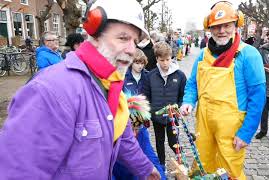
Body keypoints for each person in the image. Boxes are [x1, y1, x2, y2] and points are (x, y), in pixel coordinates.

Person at [0, 0, 161, 179]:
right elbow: (19, 172)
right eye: (123, 38)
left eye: (135, 41)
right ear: (94, 36)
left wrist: (147, 169)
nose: (132, 49)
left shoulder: (111, 85)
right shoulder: (51, 90)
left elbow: (121, 135)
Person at [180, 1, 266, 179]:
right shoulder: (204, 54)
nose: (222, 31)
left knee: (229, 171)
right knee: (201, 165)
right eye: (216, 27)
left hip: (232, 126)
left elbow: (257, 97)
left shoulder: (249, 54)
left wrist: (246, 132)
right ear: (209, 29)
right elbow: (192, 83)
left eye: (227, 25)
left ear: (236, 25)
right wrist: (188, 100)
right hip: (203, 121)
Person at [113, 48, 166, 180]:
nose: (140, 66)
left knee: (148, 154)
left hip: (141, 123)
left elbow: (152, 97)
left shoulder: (148, 77)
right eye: (137, 62)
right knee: (124, 156)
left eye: (142, 63)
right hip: (124, 123)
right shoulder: (122, 77)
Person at [143, 41, 187, 171]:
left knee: (174, 142)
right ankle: (162, 164)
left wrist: (178, 108)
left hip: (173, 118)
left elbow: (183, 95)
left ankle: (182, 162)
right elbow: (146, 96)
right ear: (157, 59)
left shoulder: (180, 75)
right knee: (159, 141)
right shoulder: (150, 75)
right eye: (162, 60)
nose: (165, 63)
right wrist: (151, 112)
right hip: (157, 116)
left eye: (168, 59)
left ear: (171, 58)